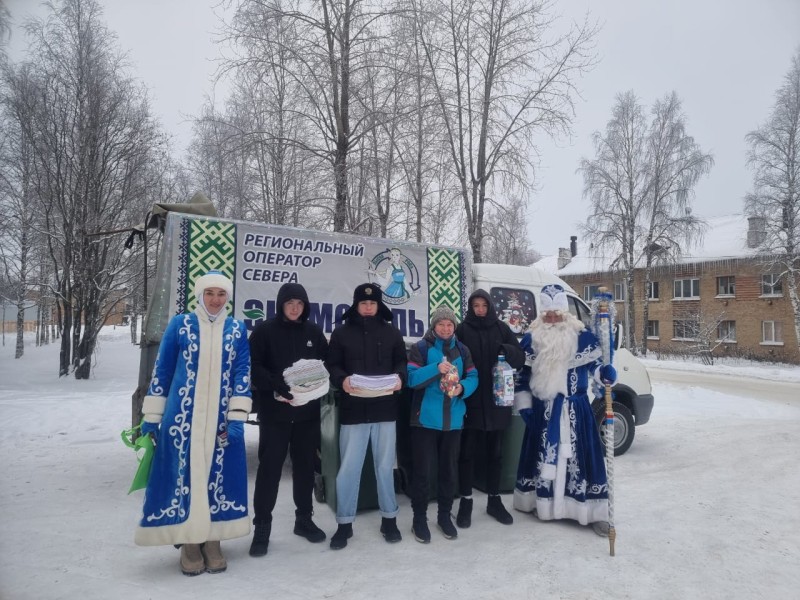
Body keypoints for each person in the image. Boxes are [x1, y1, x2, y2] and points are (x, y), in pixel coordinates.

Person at [135, 270, 251, 576]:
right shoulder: (180, 325)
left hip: (221, 422)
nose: (215, 300)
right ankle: (189, 541)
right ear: (200, 295)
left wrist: (238, 416)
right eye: (210, 293)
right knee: (184, 476)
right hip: (182, 419)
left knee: (218, 475)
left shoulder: (237, 329)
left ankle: (213, 540)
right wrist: (152, 416)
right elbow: (162, 370)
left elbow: (242, 373)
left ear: (228, 297)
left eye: (221, 294)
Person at [513, 284, 617, 536]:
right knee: (540, 457)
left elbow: (594, 369)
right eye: (547, 314)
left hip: (576, 411)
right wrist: (525, 406)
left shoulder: (582, 338)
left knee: (584, 460)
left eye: (555, 314)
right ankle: (544, 505)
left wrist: (603, 373)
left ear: (565, 313)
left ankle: (592, 512)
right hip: (542, 412)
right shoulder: (531, 340)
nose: (551, 319)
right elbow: (521, 377)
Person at [248, 283, 329, 557]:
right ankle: (262, 526)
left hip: (306, 415)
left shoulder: (314, 332)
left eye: (300, 304)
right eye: (290, 303)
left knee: (305, 468)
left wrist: (315, 386)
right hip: (275, 414)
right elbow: (253, 366)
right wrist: (274, 384)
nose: (295, 308)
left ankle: (303, 520)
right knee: (269, 469)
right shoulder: (264, 331)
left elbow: (325, 365)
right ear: (281, 304)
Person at [326, 283, 407, 549]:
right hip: (354, 410)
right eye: (363, 303)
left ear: (379, 305)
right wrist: (342, 380)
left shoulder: (393, 332)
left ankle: (389, 519)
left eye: (372, 303)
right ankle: (344, 523)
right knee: (349, 468)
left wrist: (400, 379)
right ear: (356, 305)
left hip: (385, 410)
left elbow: (401, 363)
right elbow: (333, 365)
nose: (368, 307)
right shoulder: (341, 334)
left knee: (385, 467)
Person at [407, 306, 478, 543]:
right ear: (433, 326)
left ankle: (444, 516)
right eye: (441, 325)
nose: (445, 329)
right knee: (422, 473)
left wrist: (462, 388)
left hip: (453, 421)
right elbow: (411, 379)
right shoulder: (421, 348)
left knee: (448, 472)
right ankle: (419, 519)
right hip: (425, 421)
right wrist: (435, 369)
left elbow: (474, 377)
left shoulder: (462, 349)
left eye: (449, 325)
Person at [455, 290, 525, 528]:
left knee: (495, 454)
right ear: (470, 307)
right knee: (467, 453)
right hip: (471, 401)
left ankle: (494, 500)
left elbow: (520, 356)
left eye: (484, 305)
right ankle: (466, 501)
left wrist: (506, 350)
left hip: (497, 402)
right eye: (476, 306)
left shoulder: (501, 328)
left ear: (490, 307)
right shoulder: (462, 330)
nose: (481, 310)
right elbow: (453, 357)